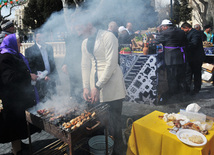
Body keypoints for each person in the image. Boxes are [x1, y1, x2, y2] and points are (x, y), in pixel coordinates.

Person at [81, 21, 126, 155]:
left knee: (114, 124)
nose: (76, 30)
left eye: (79, 26)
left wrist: (98, 85)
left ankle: (118, 150)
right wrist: (86, 87)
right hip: (94, 86)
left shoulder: (108, 36)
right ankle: (102, 149)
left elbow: (111, 64)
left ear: (89, 24)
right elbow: (85, 65)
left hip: (112, 85)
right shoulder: (84, 42)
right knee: (98, 122)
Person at [0, 33, 39, 155]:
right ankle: (17, 151)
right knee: (14, 126)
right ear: (11, 43)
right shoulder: (5, 57)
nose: (20, 44)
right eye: (18, 42)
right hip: (12, 100)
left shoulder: (13, 54)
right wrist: (28, 76)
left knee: (19, 125)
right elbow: (9, 78)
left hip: (18, 97)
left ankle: (19, 145)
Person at [25, 31, 59, 102]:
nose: (42, 39)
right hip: (40, 82)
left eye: (43, 37)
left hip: (51, 79)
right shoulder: (29, 50)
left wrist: (55, 77)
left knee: (54, 102)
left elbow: (52, 64)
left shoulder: (49, 48)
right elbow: (30, 67)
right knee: (42, 104)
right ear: (35, 38)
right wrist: (42, 76)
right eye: (39, 38)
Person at [156, 19, 187, 98]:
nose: (162, 28)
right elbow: (185, 42)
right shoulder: (181, 31)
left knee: (171, 75)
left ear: (166, 26)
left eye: (162, 27)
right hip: (180, 55)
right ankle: (181, 89)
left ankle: (173, 92)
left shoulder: (165, 32)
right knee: (180, 73)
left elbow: (157, 41)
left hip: (170, 56)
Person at [181, 22, 206, 94]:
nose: (183, 32)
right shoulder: (189, 33)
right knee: (188, 72)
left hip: (197, 57)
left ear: (187, 28)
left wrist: (185, 46)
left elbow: (194, 44)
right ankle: (188, 88)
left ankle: (196, 89)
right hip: (191, 57)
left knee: (196, 73)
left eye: (183, 30)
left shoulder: (195, 33)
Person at [61, 24, 84, 102]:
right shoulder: (71, 38)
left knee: (84, 90)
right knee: (74, 92)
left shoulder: (85, 37)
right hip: (73, 70)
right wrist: (65, 63)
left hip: (84, 69)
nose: (72, 27)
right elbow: (68, 53)